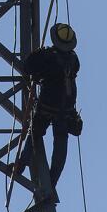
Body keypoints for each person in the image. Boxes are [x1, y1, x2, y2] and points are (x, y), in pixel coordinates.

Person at [17, 22, 82, 190]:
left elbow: (28, 67)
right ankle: (52, 183)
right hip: (66, 109)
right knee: (61, 145)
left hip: (47, 105)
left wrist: (38, 55)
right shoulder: (74, 59)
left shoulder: (47, 56)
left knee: (35, 134)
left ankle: (21, 165)